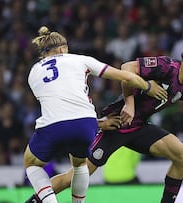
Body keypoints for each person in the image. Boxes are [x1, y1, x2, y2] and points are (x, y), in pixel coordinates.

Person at [25, 39, 183, 203]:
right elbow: (128, 67)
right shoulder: (166, 67)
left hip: (138, 128)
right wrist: (129, 102)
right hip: (117, 124)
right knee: (74, 176)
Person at [24, 26, 167, 203]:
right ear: (62, 49)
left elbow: (60, 106)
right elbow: (126, 77)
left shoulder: (33, 72)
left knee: (31, 164)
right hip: (86, 124)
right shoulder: (79, 60)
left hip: (53, 125)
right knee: (79, 165)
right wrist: (148, 87)